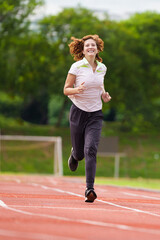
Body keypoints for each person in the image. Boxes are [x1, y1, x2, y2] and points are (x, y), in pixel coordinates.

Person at [63, 34, 111, 203]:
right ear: (83, 50)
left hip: (95, 114)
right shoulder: (76, 66)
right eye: (87, 46)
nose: (91, 47)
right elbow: (66, 89)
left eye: (93, 45)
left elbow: (100, 86)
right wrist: (77, 91)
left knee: (90, 149)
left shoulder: (102, 68)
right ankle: (74, 155)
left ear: (97, 49)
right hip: (78, 112)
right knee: (80, 153)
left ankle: (89, 188)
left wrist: (104, 95)